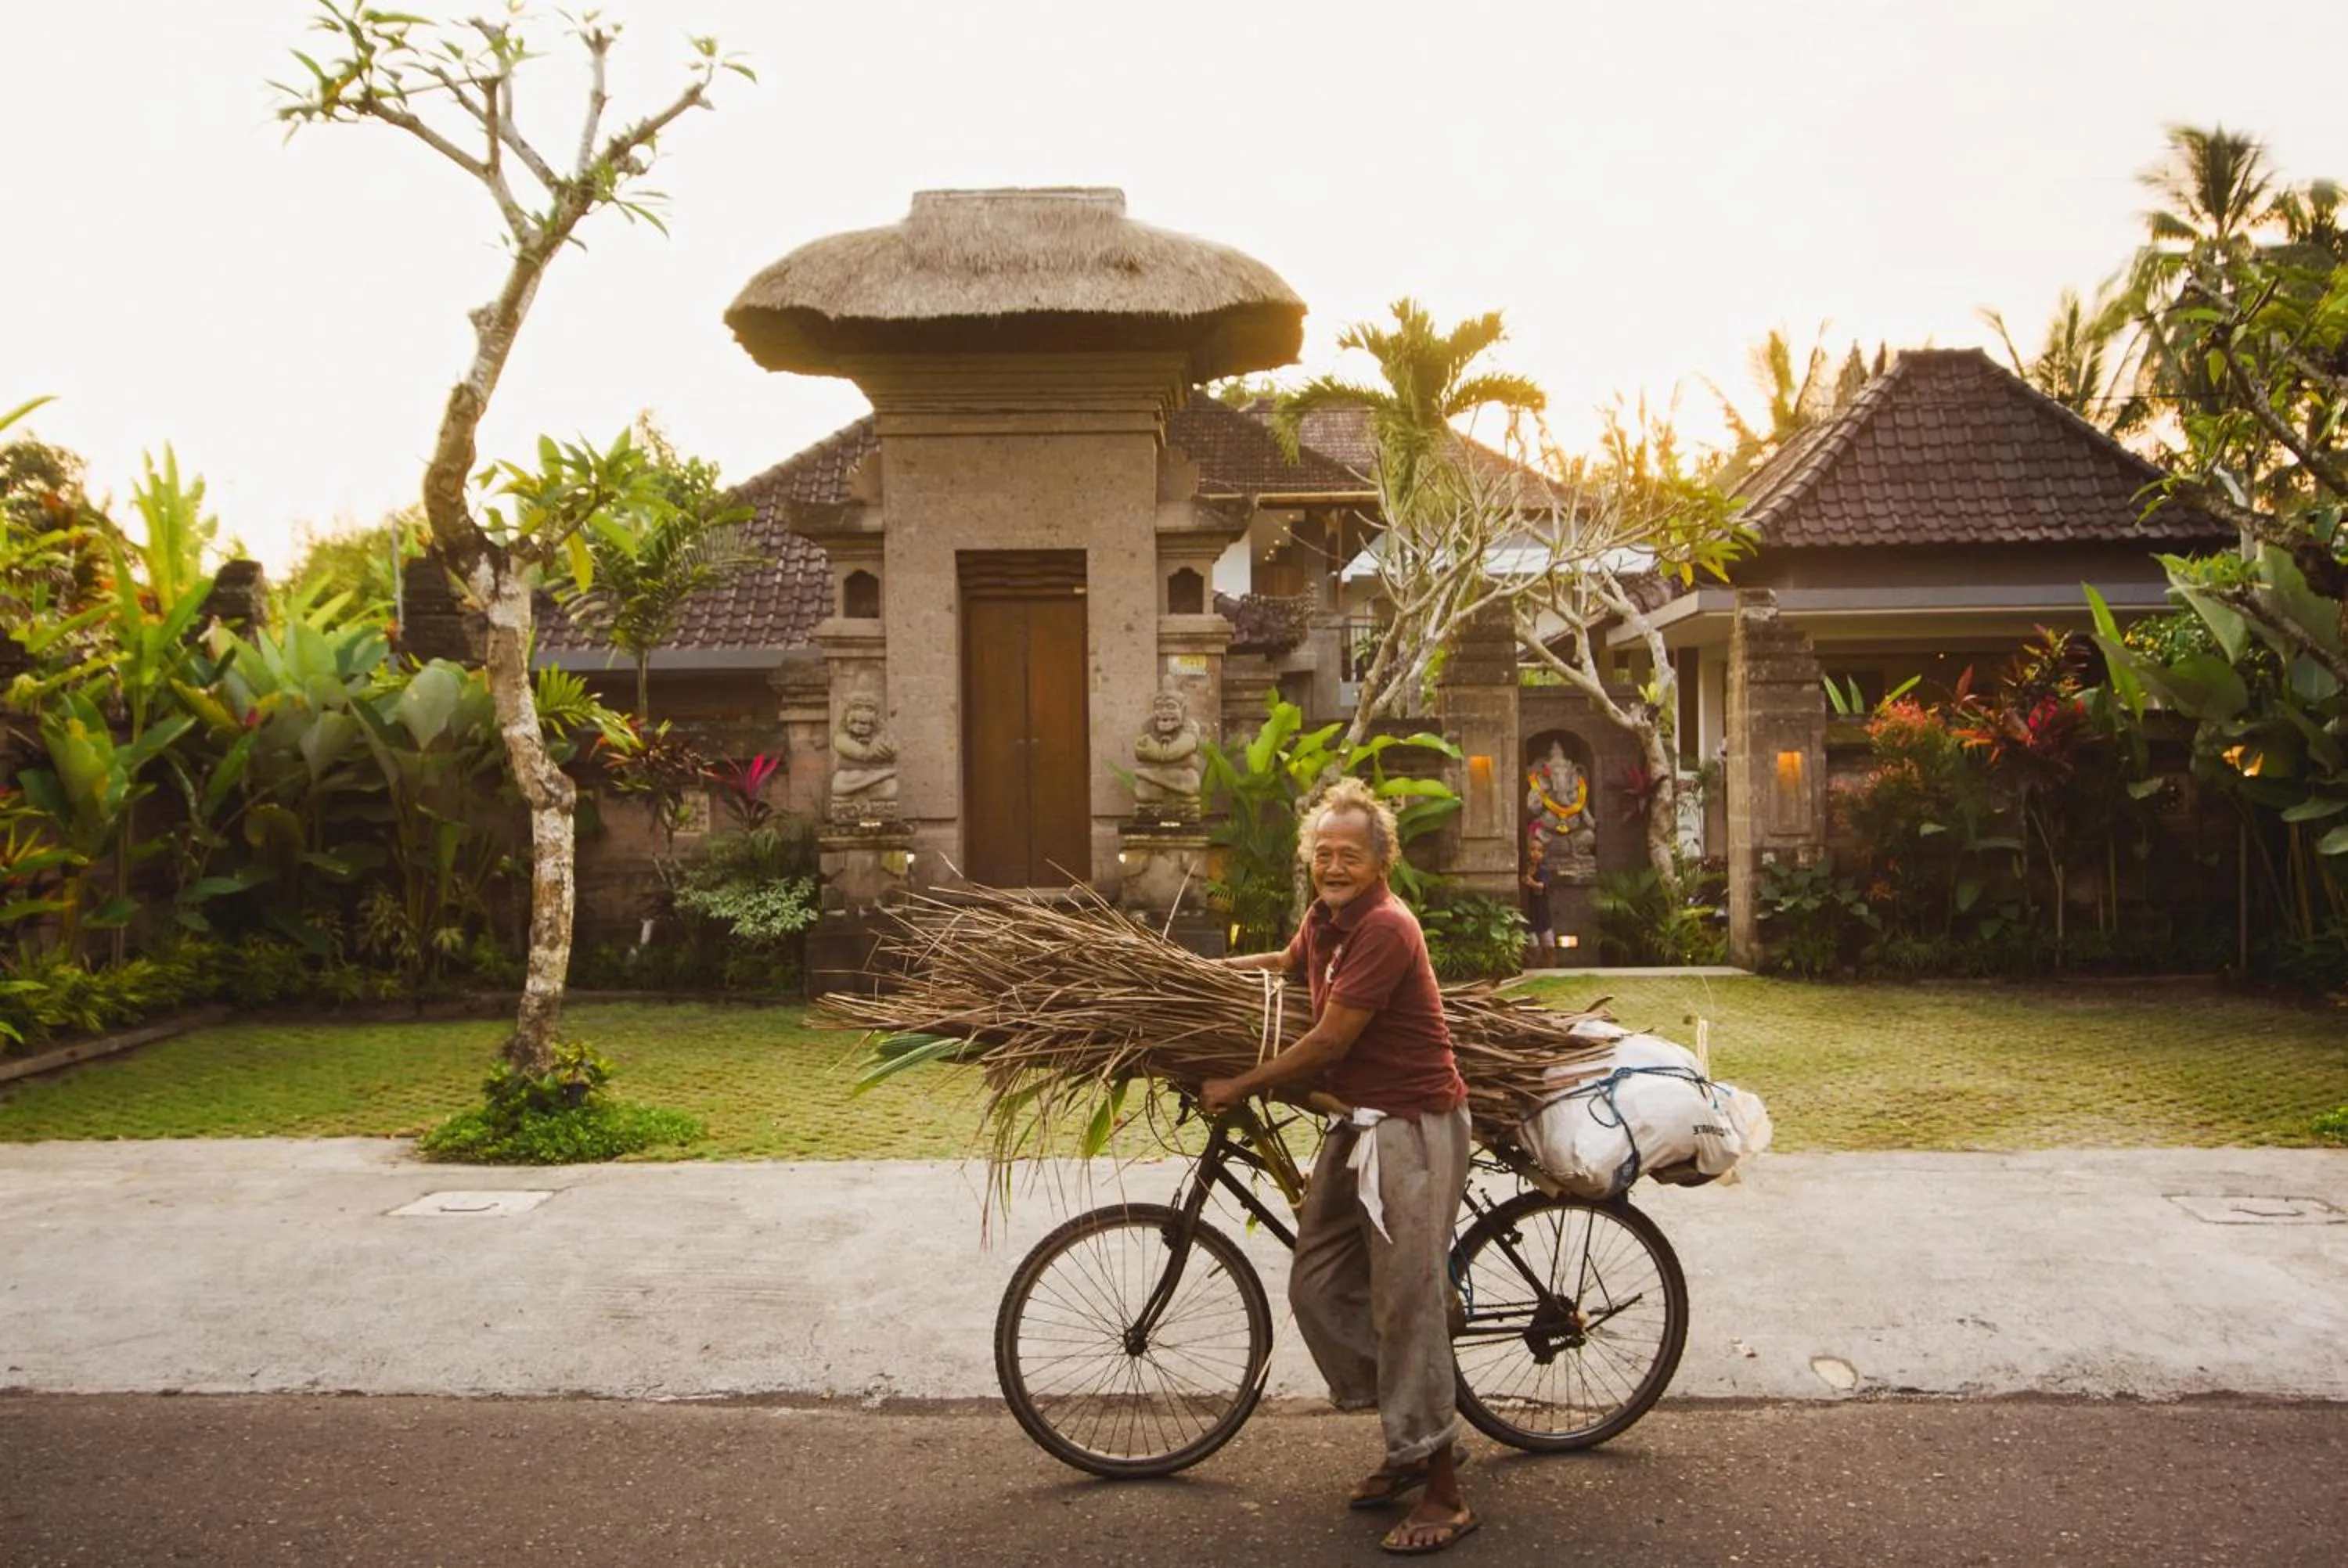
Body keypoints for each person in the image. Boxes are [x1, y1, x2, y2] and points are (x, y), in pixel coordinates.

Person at [1203, 776, 1478, 1556]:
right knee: (1317, 1282)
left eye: (1349, 855)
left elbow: (1329, 1042)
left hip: (1411, 1127)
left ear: (1382, 860)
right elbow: (1286, 965)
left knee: (1406, 1307)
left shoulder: (1388, 928)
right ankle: (1408, 1436)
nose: (1333, 866)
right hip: (1355, 1122)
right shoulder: (1326, 920)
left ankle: (1445, 1492)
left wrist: (1240, 1085)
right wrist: (1205, 976)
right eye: (1322, 854)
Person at [1522, 837, 1557, 966]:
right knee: (1533, 945)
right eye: (1532, 849)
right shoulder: (1523, 868)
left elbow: (1542, 885)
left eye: (1539, 850)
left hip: (1542, 912)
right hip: (1528, 912)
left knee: (1548, 945)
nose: (1536, 853)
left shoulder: (1544, 870)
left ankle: (1550, 971)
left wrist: (1532, 883)